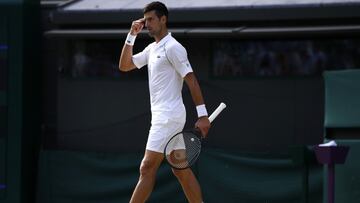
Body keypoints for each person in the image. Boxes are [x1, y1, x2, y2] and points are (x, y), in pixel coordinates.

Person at [118, 2, 210, 203]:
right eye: (145, 20)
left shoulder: (174, 47)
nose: (147, 24)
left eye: (151, 19)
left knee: (147, 167)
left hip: (168, 117)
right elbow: (124, 66)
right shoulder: (152, 49)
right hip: (167, 116)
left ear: (163, 19)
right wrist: (131, 35)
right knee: (180, 170)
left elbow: (191, 79)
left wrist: (202, 115)